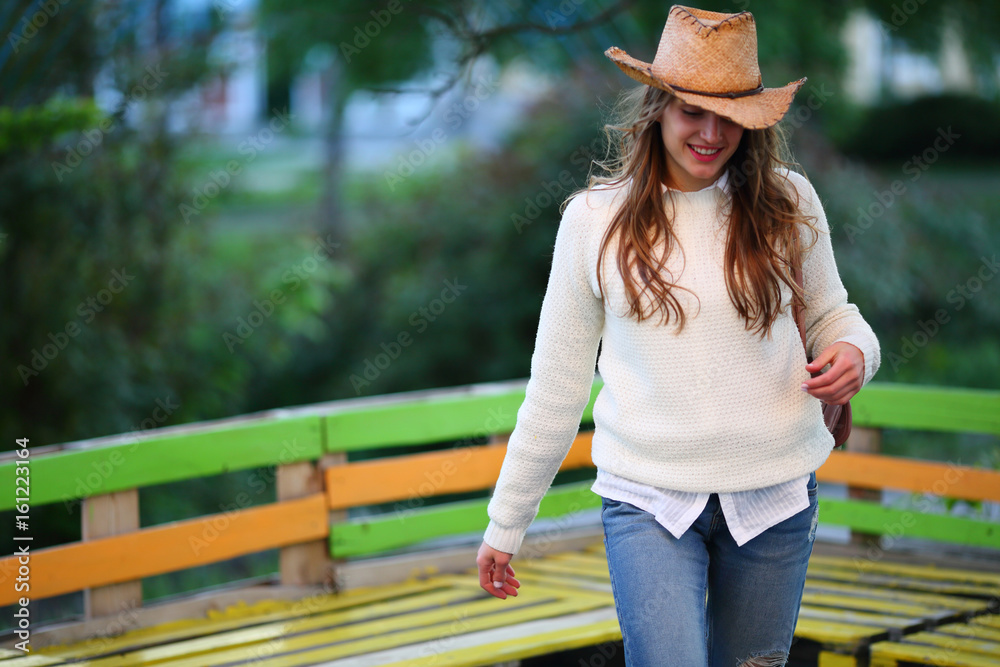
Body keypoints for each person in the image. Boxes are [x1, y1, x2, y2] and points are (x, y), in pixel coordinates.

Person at [476, 5, 881, 667]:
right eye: (692, 111)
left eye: (729, 115)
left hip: (775, 494)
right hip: (648, 500)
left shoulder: (791, 202)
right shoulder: (592, 222)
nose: (711, 132)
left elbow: (834, 315)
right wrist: (506, 521)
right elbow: (556, 388)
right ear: (656, 108)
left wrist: (852, 353)